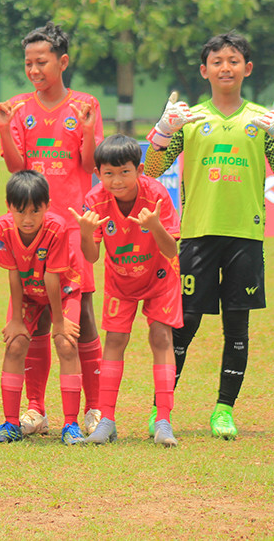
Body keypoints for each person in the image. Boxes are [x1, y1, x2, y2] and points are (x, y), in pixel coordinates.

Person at [143, 31, 274, 439]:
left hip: (244, 236)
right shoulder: (191, 119)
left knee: (237, 326)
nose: (225, 67)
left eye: (233, 60)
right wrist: (162, 131)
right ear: (204, 70)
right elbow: (152, 170)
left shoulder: (262, 121)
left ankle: (224, 411)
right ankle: (163, 411)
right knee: (186, 322)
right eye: (217, 61)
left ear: (247, 69)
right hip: (196, 234)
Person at [0, 21, 104, 437]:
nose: (34, 69)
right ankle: (35, 410)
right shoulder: (19, 108)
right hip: (28, 229)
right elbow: (17, 169)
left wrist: (90, 130)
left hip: (71, 227)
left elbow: (91, 166)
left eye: (42, 62)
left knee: (81, 317)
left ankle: (94, 409)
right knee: (33, 319)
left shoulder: (84, 105)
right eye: (28, 63)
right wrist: (3, 128)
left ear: (63, 61)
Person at [70, 134, 182, 447]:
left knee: (161, 337)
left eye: (124, 172)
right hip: (120, 278)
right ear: (98, 174)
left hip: (160, 276)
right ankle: (106, 421)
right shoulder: (94, 200)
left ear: (140, 169)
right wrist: (86, 233)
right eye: (109, 173)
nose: (117, 180)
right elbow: (91, 257)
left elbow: (172, 251)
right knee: (115, 340)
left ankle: (163, 422)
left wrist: (156, 225)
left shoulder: (157, 194)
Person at [0, 170, 85, 444]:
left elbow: (52, 277)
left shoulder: (57, 227)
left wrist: (60, 323)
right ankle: (10, 423)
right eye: (20, 212)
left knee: (66, 344)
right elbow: (14, 273)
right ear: (8, 207)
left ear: (47, 206)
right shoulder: (3, 227)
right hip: (28, 292)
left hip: (62, 291)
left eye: (34, 211)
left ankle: (71, 424)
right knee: (15, 344)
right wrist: (17, 320)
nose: (27, 220)